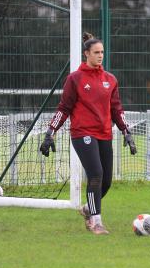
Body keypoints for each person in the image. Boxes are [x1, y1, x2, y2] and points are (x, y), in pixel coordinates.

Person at [40, 32, 137, 235]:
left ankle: (87, 209)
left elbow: (117, 110)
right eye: (96, 52)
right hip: (82, 133)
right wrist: (51, 132)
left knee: (106, 181)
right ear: (87, 54)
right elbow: (63, 108)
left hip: (104, 134)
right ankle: (96, 222)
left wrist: (127, 132)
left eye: (102, 52)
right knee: (96, 174)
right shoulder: (75, 79)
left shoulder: (110, 80)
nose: (100, 56)